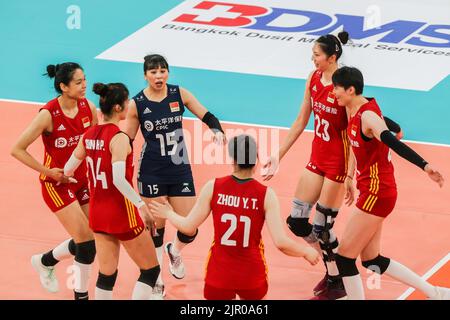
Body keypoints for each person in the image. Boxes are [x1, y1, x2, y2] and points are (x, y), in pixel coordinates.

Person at [150, 135, 320, 300]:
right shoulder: (266, 195)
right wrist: (305, 251)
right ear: (256, 160)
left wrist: (168, 213)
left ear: (233, 160)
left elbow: (187, 227)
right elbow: (281, 242)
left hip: (218, 274)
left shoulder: (213, 187)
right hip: (251, 275)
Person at [332, 66, 449, 300]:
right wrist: (349, 176)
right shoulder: (353, 109)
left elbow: (391, 140)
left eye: (337, 88)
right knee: (371, 260)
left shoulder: (367, 116)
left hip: (378, 191)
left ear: (351, 89)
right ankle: (436, 293)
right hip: (375, 189)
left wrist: (425, 165)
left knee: (344, 258)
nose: (334, 92)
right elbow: (381, 134)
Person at [124, 54, 226, 298]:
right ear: (145, 75)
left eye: (162, 71)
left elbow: (208, 115)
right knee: (156, 229)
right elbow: (126, 141)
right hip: (152, 171)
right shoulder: (137, 103)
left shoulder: (178, 93)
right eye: (153, 72)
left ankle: (175, 250)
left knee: (190, 226)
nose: (159, 76)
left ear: (167, 72)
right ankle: (157, 280)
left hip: (179, 167)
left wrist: (217, 131)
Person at [262, 32, 351, 299]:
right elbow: (302, 119)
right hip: (317, 160)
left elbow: (353, 133)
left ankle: (338, 279)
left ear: (332, 57)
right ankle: (335, 270)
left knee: (323, 227)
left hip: (338, 164)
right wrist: (278, 154)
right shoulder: (313, 79)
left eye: (316, 55)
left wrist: (351, 176)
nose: (312, 59)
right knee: (298, 222)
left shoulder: (344, 85)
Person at [64, 82, 160, 300]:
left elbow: (68, 170)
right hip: (121, 212)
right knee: (150, 270)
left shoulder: (87, 135)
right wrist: (142, 206)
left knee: (107, 275)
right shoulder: (119, 138)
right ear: (118, 108)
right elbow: (118, 179)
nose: (129, 105)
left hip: (97, 212)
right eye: (126, 102)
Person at [11, 62, 98, 300]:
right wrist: (48, 172)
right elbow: (17, 149)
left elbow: (97, 143)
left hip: (83, 181)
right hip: (57, 185)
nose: (84, 86)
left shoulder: (88, 108)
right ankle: (81, 296)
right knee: (87, 244)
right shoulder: (48, 115)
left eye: (85, 80)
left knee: (94, 237)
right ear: (63, 86)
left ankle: (44, 261)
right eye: (78, 82)